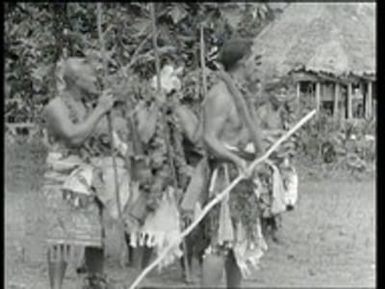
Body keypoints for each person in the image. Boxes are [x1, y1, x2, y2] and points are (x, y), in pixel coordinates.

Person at [42, 57, 129, 289]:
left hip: (88, 177)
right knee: (60, 238)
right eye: (91, 77)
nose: (96, 81)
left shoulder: (88, 106)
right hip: (61, 178)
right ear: (75, 80)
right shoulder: (56, 106)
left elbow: (101, 138)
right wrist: (100, 110)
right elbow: (73, 136)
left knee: (93, 233)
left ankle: (95, 281)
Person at [200, 38, 268, 288]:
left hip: (243, 175)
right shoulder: (220, 95)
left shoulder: (240, 94)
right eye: (254, 60)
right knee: (220, 242)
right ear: (242, 63)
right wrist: (237, 160)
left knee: (239, 243)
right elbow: (209, 138)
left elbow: (241, 135)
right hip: (226, 177)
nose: (256, 66)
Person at [256, 77, 298, 243]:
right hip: (265, 159)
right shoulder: (262, 111)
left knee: (280, 194)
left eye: (284, 92)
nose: (281, 95)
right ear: (269, 93)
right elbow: (256, 133)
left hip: (280, 159)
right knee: (265, 195)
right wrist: (274, 135)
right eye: (278, 92)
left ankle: (276, 229)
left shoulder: (283, 112)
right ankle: (262, 230)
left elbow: (287, 134)